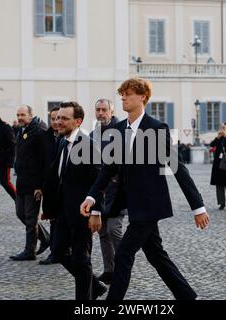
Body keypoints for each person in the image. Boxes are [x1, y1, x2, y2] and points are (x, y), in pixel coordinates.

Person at [80, 78, 210, 300]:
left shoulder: (157, 128)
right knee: (156, 256)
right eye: (122, 94)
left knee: (123, 254)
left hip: (150, 204)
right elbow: (108, 169)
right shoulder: (119, 129)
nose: (123, 98)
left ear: (142, 97)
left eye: (128, 94)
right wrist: (92, 196)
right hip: (130, 203)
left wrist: (198, 207)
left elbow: (178, 168)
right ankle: (188, 296)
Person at [46, 102, 107, 300]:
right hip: (62, 211)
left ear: (78, 121)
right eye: (57, 118)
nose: (58, 122)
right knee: (58, 251)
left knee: (81, 261)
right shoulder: (62, 142)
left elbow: (99, 182)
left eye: (64, 118)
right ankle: (95, 286)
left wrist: (96, 212)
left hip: (83, 212)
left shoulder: (89, 146)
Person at [89, 98, 125, 284]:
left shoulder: (121, 130)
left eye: (104, 110)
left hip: (118, 190)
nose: (101, 113)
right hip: (100, 190)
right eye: (98, 110)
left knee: (114, 230)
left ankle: (123, 267)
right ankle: (109, 270)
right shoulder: (93, 133)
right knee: (103, 232)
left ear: (111, 112)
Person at [10, 106, 48, 261]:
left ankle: (29, 251)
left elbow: (43, 161)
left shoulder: (38, 131)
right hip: (22, 181)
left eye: (23, 115)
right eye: (18, 114)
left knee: (31, 218)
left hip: (34, 183)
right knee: (21, 213)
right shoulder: (22, 130)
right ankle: (46, 238)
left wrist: (40, 186)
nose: (19, 117)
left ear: (30, 115)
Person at [40, 106, 67, 265]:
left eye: (60, 118)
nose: (57, 122)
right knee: (52, 219)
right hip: (50, 186)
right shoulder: (45, 137)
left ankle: (62, 250)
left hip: (64, 186)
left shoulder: (68, 138)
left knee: (63, 220)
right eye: (54, 119)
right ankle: (55, 252)